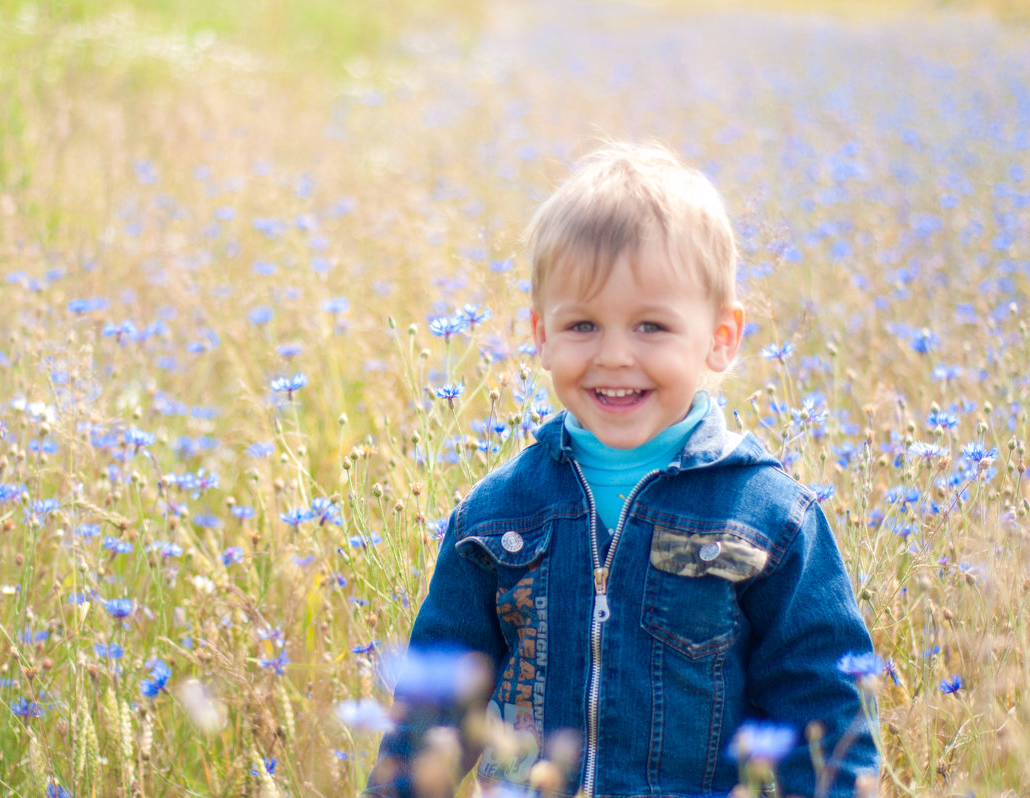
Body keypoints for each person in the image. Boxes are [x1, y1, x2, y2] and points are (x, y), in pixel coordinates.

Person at [365, 141, 879, 797]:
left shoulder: (770, 520)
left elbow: (826, 719)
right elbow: (430, 719)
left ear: (721, 338)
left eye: (651, 327)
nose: (613, 355)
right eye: (582, 324)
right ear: (541, 335)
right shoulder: (498, 514)